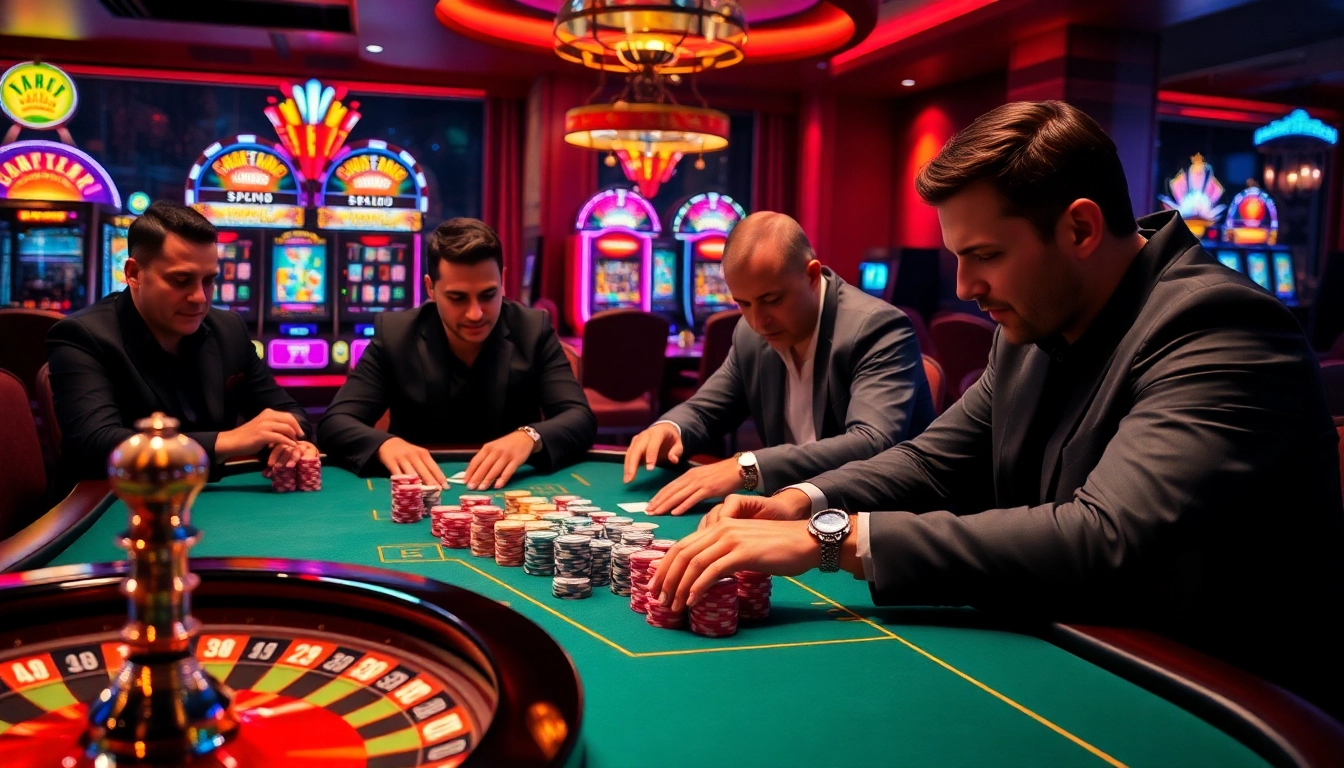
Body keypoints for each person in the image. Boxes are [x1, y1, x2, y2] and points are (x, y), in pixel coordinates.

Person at [648, 101, 1344, 718]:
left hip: (1224, 704)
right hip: (1076, 648)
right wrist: (800, 502)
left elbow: (1099, 537)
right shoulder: (1037, 325)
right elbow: (933, 459)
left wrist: (831, 539)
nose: (964, 285)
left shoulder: (1220, 330)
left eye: (985, 255)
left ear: (1079, 229)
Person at [623, 212, 935, 516]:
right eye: (743, 303)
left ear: (812, 275)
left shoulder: (877, 327)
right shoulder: (750, 334)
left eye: (771, 300)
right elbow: (706, 411)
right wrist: (669, 428)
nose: (759, 322)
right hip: (792, 513)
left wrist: (747, 467)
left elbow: (872, 442)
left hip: (875, 524)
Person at [47, 201, 316, 492]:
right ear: (134, 273)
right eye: (181, 280)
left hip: (206, 504)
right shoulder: (82, 335)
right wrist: (228, 440)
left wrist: (293, 443)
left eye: (209, 281)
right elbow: (96, 444)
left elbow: (287, 411)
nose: (199, 297)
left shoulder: (228, 329)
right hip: (107, 508)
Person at [318, 218, 595, 489]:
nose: (475, 313)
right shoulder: (395, 335)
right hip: (420, 491)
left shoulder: (533, 330)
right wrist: (385, 444)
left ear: (504, 281)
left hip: (508, 492)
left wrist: (529, 437)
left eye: (488, 294)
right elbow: (335, 423)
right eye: (458, 297)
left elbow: (579, 417)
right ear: (431, 288)